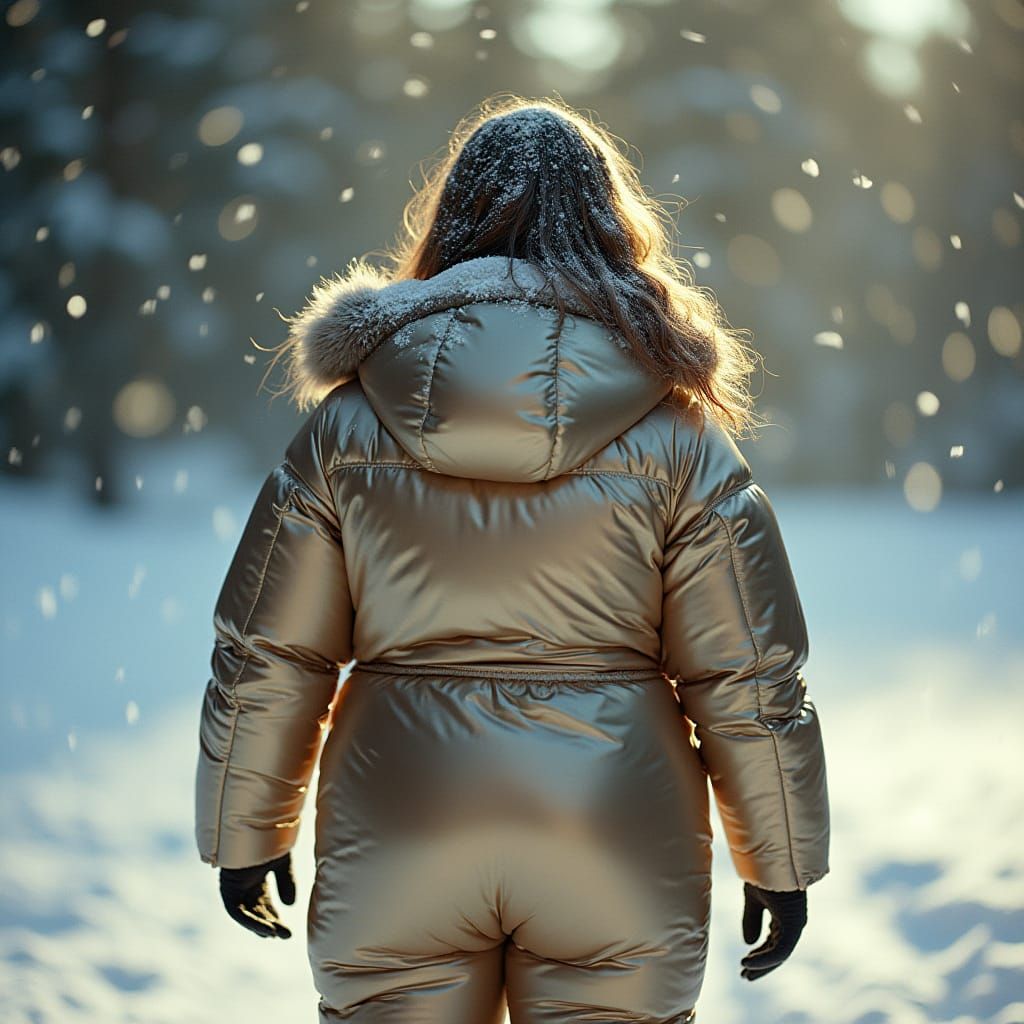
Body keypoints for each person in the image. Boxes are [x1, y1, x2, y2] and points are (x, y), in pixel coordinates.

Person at [194, 94, 830, 1024]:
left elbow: (267, 651)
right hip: (610, 824)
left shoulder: (346, 426)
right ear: (611, 226)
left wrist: (242, 828)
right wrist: (780, 856)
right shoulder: (679, 436)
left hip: (403, 816)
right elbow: (747, 670)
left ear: (448, 223)